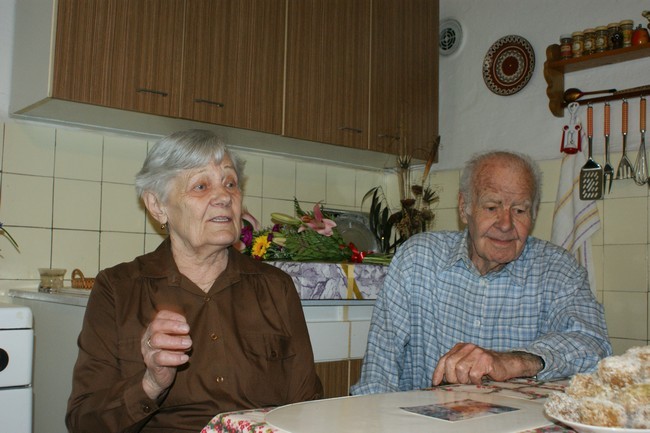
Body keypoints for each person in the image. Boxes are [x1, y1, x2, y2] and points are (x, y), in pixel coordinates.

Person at [66, 129, 323, 432]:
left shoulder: (275, 287)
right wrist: (151, 383)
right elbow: (84, 422)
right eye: (201, 186)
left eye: (230, 183)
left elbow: (307, 407)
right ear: (157, 205)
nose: (224, 197)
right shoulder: (118, 289)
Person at [351, 150, 612, 395]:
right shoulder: (418, 259)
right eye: (491, 207)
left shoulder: (558, 269)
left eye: (519, 210)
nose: (506, 224)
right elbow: (379, 370)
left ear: (533, 215)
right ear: (464, 208)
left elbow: (594, 346)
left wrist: (514, 362)